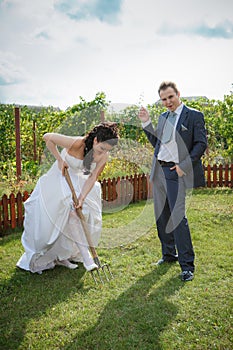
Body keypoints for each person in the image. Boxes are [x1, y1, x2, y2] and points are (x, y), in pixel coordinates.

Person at [16, 122, 119, 274]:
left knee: (81, 213)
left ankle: (63, 256)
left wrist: (82, 198)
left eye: (107, 150)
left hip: (80, 182)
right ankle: (87, 258)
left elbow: (93, 177)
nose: (104, 153)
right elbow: (47, 138)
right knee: (68, 212)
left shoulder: (103, 156)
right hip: (60, 177)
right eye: (102, 148)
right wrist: (59, 158)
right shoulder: (77, 143)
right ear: (96, 140)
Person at [138, 81, 207, 281]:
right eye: (163, 99)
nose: (167, 102)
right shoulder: (163, 117)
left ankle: (187, 266)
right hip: (159, 170)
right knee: (162, 215)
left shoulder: (194, 115)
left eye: (170, 97)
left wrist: (182, 166)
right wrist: (146, 123)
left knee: (178, 218)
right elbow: (157, 144)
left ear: (178, 94)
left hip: (176, 171)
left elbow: (200, 144)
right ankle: (168, 254)